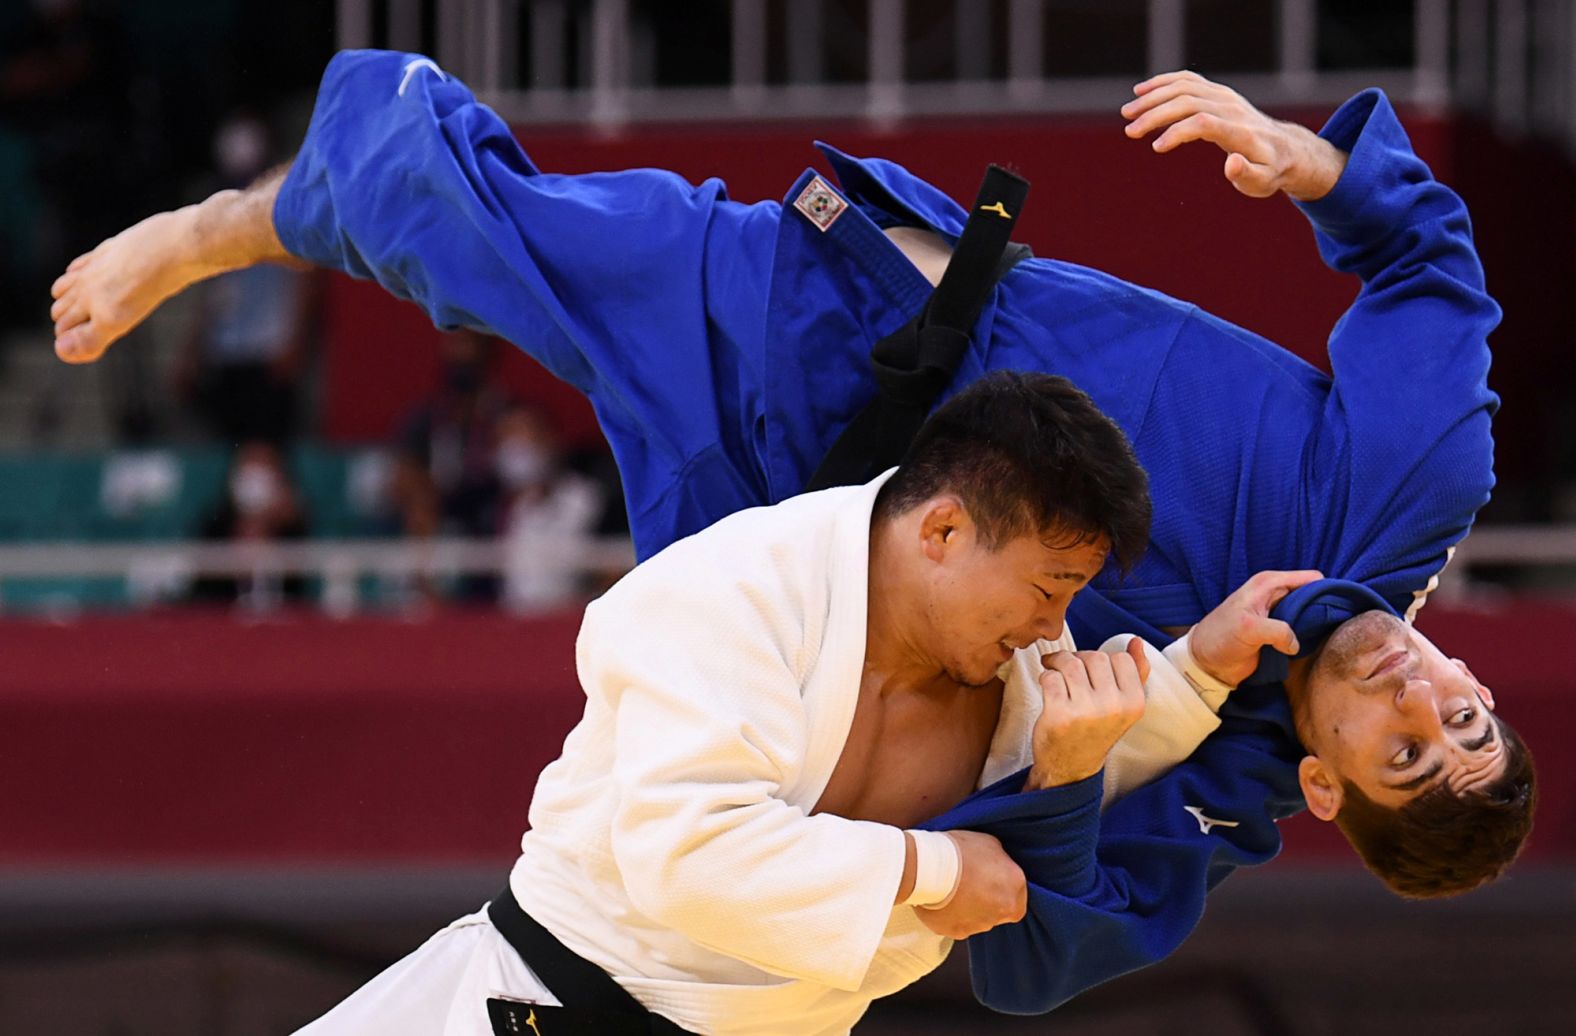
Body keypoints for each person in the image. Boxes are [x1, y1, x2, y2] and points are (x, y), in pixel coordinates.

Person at [47, 55, 1535, 1012]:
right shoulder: (1406, 492)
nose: (1418, 698)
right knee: (512, 238)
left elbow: (1028, 948)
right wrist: (1321, 170)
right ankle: (239, 225)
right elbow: (1431, 266)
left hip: (793, 559)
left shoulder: (1209, 791)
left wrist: (1084, 774)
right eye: (1463, 712)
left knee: (675, 820)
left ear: (1333, 790)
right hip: (873, 324)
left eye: (1409, 753)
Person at [297, 370, 1310, 1035]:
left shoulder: (1013, 661)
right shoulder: (730, 590)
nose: (1056, 627)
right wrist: (929, 863)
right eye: (1048, 587)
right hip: (539, 1005)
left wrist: (1197, 673)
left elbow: (1065, 772)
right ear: (944, 531)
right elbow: (687, 851)